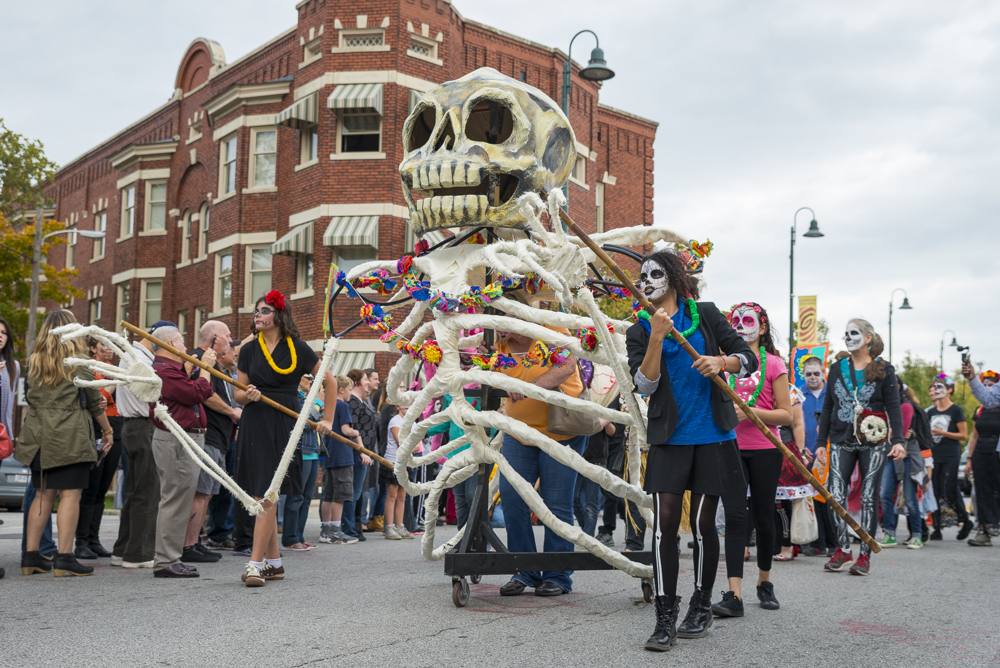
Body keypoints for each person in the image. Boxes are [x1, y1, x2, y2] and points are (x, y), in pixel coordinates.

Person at [625, 251, 756, 651]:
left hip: (713, 435)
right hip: (669, 438)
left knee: (702, 523)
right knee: (664, 526)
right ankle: (664, 616)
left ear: (675, 278)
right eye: (642, 275)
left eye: (656, 273)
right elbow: (644, 386)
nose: (647, 280)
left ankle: (700, 605)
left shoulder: (708, 314)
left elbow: (747, 359)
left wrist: (722, 361)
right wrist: (657, 338)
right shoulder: (639, 329)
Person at [234, 291, 336, 587]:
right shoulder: (248, 350)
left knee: (268, 495)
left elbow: (328, 380)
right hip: (255, 421)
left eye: (264, 310)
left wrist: (327, 419)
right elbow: (237, 394)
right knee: (262, 494)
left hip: (284, 423)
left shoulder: (298, 348)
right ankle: (274, 564)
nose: (258, 315)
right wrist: (248, 396)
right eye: (256, 311)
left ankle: (256, 566)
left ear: (278, 316)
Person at [17, 310, 113, 577]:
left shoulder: (34, 360)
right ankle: (65, 557)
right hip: (69, 434)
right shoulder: (79, 361)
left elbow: (30, 395)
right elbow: (94, 401)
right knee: (71, 495)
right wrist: (107, 431)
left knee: (42, 494)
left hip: (38, 435)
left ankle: (30, 557)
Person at [713, 303, 791, 618]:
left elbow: (785, 414)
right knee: (734, 518)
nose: (741, 325)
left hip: (765, 447)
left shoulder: (774, 364)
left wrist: (751, 412)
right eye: (735, 321)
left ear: (762, 328)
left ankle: (765, 582)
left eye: (748, 321)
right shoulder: (722, 364)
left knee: (763, 516)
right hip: (729, 445)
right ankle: (734, 594)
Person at [817, 319, 905, 576]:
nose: (848, 337)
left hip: (874, 441)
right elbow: (828, 407)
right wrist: (822, 443)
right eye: (845, 334)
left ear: (868, 338)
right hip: (841, 439)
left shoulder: (884, 369)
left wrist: (898, 440)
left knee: (868, 496)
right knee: (835, 493)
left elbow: (894, 407)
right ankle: (843, 549)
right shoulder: (836, 368)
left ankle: (865, 554)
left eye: (854, 333)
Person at [148, 326, 215, 578]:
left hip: (184, 438)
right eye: (182, 342)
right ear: (170, 344)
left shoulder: (173, 370)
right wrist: (206, 369)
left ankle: (171, 557)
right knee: (175, 497)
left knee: (181, 498)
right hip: (176, 439)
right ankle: (166, 560)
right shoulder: (163, 370)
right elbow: (197, 393)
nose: (187, 348)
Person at [182, 321, 235, 563]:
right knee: (201, 492)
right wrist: (233, 412)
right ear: (215, 337)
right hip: (206, 435)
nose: (231, 340)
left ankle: (196, 542)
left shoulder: (215, 363)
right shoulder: (198, 358)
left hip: (219, 438)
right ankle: (187, 545)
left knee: (209, 493)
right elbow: (206, 394)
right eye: (228, 336)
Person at [74, 337, 124, 560]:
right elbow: (100, 397)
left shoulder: (118, 369)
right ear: (93, 348)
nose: (109, 348)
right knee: (91, 485)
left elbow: (110, 394)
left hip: (116, 425)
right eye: (104, 344)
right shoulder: (88, 367)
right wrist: (110, 387)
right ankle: (81, 541)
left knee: (103, 486)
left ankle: (94, 540)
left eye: (112, 344)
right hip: (96, 426)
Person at [879, 378, 929, 549]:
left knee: (909, 498)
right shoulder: (882, 405)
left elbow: (897, 432)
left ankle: (917, 535)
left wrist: (881, 432)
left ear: (898, 387)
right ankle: (889, 534)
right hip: (889, 455)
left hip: (907, 455)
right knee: (885, 495)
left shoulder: (905, 406)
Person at [204, 338, 241, 551]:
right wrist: (231, 412)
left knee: (227, 487)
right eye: (231, 349)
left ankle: (224, 531)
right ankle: (217, 532)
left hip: (230, 436)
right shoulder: (210, 370)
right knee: (214, 488)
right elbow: (208, 396)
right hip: (214, 435)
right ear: (220, 354)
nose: (234, 353)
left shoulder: (228, 375)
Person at [926, 374, 974, 540]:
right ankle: (937, 529)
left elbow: (963, 435)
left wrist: (942, 433)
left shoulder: (956, 410)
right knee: (936, 491)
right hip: (934, 456)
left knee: (949, 490)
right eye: (935, 388)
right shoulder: (930, 411)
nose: (937, 391)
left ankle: (965, 520)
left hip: (951, 456)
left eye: (941, 388)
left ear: (949, 391)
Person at [318, 375, 362, 545]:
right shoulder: (343, 406)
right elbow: (345, 429)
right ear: (341, 390)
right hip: (343, 455)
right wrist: (356, 433)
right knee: (340, 495)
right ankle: (336, 532)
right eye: (350, 389)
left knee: (328, 495)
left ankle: (326, 531)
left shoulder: (327, 406)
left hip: (329, 455)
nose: (351, 393)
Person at [284, 374, 322, 551]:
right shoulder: (295, 397)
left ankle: (299, 535)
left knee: (306, 498)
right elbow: (302, 424)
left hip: (312, 451)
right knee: (296, 496)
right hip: (302, 452)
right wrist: (318, 404)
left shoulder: (306, 398)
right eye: (308, 378)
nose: (312, 382)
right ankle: (290, 537)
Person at [965, 370, 1000, 546]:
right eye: (985, 383)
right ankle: (984, 531)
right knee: (983, 491)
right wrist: (972, 378)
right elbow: (974, 435)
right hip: (983, 452)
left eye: (991, 383)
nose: (989, 386)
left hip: (997, 449)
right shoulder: (981, 409)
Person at [344, 369, 376, 541]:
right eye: (365, 379)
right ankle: (350, 527)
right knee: (354, 491)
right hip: (358, 452)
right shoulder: (353, 403)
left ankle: (356, 525)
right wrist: (361, 450)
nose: (368, 382)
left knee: (360, 490)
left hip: (365, 453)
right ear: (356, 383)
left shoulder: (361, 402)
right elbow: (353, 430)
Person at [382, 399, 414, 540]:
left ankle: (400, 525)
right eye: (403, 403)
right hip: (393, 462)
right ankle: (389, 527)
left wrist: (411, 444)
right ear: (397, 406)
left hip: (407, 462)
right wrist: (411, 444)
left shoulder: (412, 422)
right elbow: (401, 443)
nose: (407, 406)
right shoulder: (395, 421)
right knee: (392, 495)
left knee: (402, 496)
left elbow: (418, 445)